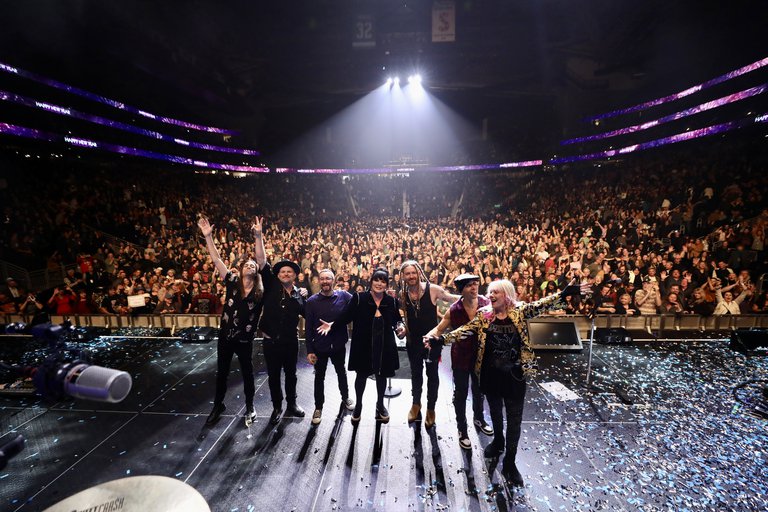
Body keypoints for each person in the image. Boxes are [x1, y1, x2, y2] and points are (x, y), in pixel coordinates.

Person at [425, 279, 569, 487]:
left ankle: (510, 461)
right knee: (494, 412)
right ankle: (498, 441)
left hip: (515, 376)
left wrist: (564, 295)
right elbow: (464, 330)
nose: (490, 296)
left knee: (514, 419)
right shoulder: (484, 314)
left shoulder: (520, 311)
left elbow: (543, 305)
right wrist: (442, 339)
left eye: (496, 293)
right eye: (490, 292)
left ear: (507, 295)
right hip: (490, 374)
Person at [199, 215, 265, 427]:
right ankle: (218, 405)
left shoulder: (260, 292)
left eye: (253, 266)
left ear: (256, 273)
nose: (251, 266)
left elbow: (262, 260)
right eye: (248, 264)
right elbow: (217, 260)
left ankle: (250, 406)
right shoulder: (233, 282)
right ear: (241, 267)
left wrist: (258, 236)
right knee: (222, 373)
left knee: (247, 374)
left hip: (245, 341)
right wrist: (208, 237)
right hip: (225, 338)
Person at [425, 273, 494, 450]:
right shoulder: (454, 310)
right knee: (461, 393)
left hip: (482, 356)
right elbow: (439, 328)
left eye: (476, 284)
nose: (474, 287)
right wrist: (430, 336)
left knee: (479, 391)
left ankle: (479, 419)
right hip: (461, 357)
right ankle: (462, 429)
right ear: (461, 289)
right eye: (470, 285)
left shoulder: (487, 303)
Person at [330, 268, 404, 425]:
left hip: (384, 346)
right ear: (371, 282)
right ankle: (359, 406)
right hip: (363, 346)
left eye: (383, 281)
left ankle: (380, 404)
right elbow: (345, 317)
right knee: (361, 376)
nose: (379, 283)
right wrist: (332, 325)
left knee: (382, 375)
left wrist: (400, 328)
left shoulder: (391, 301)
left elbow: (397, 320)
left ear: (386, 284)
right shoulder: (359, 298)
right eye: (376, 280)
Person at [399, 260, 458, 428]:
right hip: (413, 343)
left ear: (418, 273)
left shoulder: (432, 289)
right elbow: (406, 317)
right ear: (403, 276)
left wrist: (472, 299)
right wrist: (403, 328)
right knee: (416, 374)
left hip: (432, 342)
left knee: (432, 375)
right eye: (407, 274)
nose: (411, 276)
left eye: (413, 273)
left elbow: (451, 298)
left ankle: (431, 408)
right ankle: (416, 404)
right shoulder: (403, 293)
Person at [257, 239, 308, 424]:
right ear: (277, 275)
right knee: (274, 375)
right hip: (271, 341)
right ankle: (277, 406)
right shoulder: (270, 286)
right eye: (282, 271)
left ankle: (292, 404)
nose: (286, 273)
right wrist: (258, 236)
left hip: (290, 341)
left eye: (289, 271)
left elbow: (308, 314)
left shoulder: (299, 294)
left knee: (291, 374)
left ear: (295, 275)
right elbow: (262, 261)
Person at [304, 269, 355, 425]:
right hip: (320, 346)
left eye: (328, 278)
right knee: (319, 377)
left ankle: (345, 397)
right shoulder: (312, 301)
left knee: (341, 372)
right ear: (319, 281)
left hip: (339, 344)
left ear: (334, 280)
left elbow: (357, 307)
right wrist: (310, 350)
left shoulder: (344, 296)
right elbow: (308, 328)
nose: (325, 281)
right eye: (322, 279)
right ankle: (318, 407)